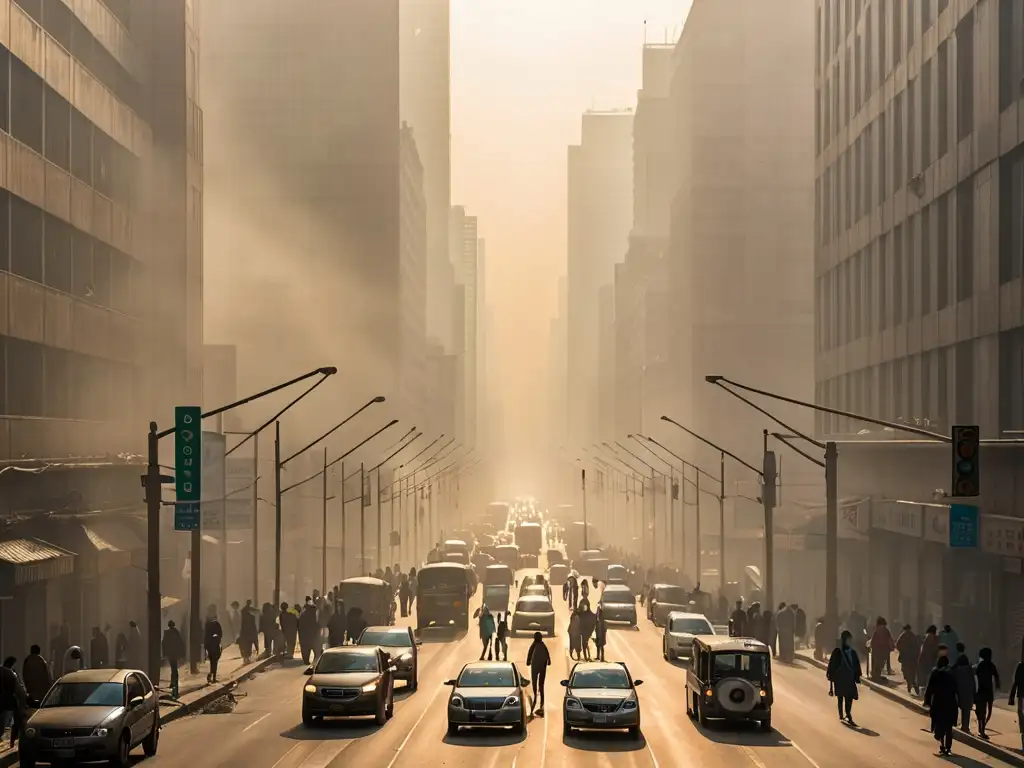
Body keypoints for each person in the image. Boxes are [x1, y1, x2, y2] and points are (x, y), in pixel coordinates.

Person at [925, 655, 959, 755]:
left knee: (939, 724)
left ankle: (942, 745)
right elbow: (956, 688)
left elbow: (930, 688)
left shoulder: (935, 672)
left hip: (938, 703)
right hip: (950, 703)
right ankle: (948, 748)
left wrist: (927, 700)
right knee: (948, 727)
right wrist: (959, 701)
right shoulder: (951, 673)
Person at [827, 630, 861, 726]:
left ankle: (848, 714)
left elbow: (856, 665)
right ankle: (841, 713)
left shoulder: (852, 652)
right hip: (840, 678)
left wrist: (857, 676)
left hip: (849, 678)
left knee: (849, 697)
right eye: (848, 640)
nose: (849, 642)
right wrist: (830, 674)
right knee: (840, 696)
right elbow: (832, 664)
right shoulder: (837, 651)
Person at [0, 656, 27, 748]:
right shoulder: (11, 673)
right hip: (10, 699)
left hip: (1, 699)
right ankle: (13, 740)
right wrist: (25, 698)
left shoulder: (2, 671)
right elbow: (18, 689)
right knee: (18, 719)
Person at [974, 647, 999, 740]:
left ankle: (981, 729)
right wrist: (997, 685)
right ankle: (982, 730)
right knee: (987, 712)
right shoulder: (991, 665)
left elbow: (975, 676)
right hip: (987, 691)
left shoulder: (980, 665)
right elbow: (996, 676)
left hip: (981, 691)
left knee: (982, 712)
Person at [951, 642, 976, 732]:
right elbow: (973, 681)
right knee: (966, 709)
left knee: (959, 707)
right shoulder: (968, 667)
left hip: (959, 689)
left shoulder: (957, 666)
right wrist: (974, 691)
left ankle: (959, 724)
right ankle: (965, 726)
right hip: (967, 690)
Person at [526, 631, 551, 716]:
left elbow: (529, 654)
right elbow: (548, 655)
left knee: (535, 683)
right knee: (541, 685)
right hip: (542, 667)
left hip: (535, 667)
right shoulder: (543, 645)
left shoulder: (534, 645)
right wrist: (549, 661)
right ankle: (541, 703)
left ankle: (536, 699)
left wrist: (528, 661)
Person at [162, 620, 186, 699]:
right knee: (175, 670)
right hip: (175, 655)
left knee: (173, 669)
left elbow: (163, 644)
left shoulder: (167, 633)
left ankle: (173, 683)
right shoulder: (176, 633)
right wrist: (182, 654)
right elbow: (181, 643)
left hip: (170, 655)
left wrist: (164, 654)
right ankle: (174, 685)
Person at [895, 624, 921, 695]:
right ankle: (913, 684)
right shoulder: (913, 636)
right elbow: (918, 647)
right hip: (913, 658)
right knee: (912, 671)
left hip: (905, 657)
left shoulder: (903, 636)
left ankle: (910, 684)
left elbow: (897, 645)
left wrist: (902, 650)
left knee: (905, 671)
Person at [1008, 648, 1024, 751]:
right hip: (1021, 697)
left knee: (1022, 720)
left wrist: (1012, 696)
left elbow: (1015, 682)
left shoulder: (1020, 666)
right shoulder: (1020, 666)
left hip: (1022, 697)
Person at [204, 607, 224, 684]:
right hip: (215, 646)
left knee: (213, 662)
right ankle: (213, 676)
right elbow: (220, 634)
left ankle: (212, 675)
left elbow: (206, 637)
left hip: (210, 646)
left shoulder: (207, 625)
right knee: (214, 662)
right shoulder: (216, 624)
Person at [917, 625, 940, 693]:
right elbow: (933, 648)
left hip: (925, 659)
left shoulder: (927, 636)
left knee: (925, 676)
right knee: (927, 675)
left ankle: (924, 690)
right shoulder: (930, 637)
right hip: (928, 659)